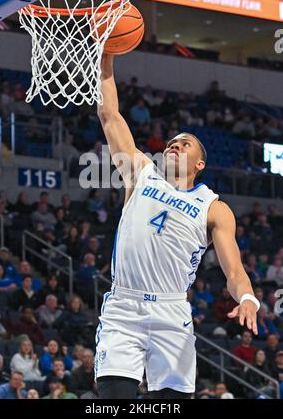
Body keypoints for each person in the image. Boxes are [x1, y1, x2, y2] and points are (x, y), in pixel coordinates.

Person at [94, 54, 259, 399]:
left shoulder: (214, 207)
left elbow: (234, 270)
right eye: (172, 142)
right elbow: (110, 115)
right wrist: (106, 59)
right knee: (113, 398)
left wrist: (247, 298)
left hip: (172, 311)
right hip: (124, 305)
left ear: (199, 163)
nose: (174, 145)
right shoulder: (141, 173)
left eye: (185, 144)